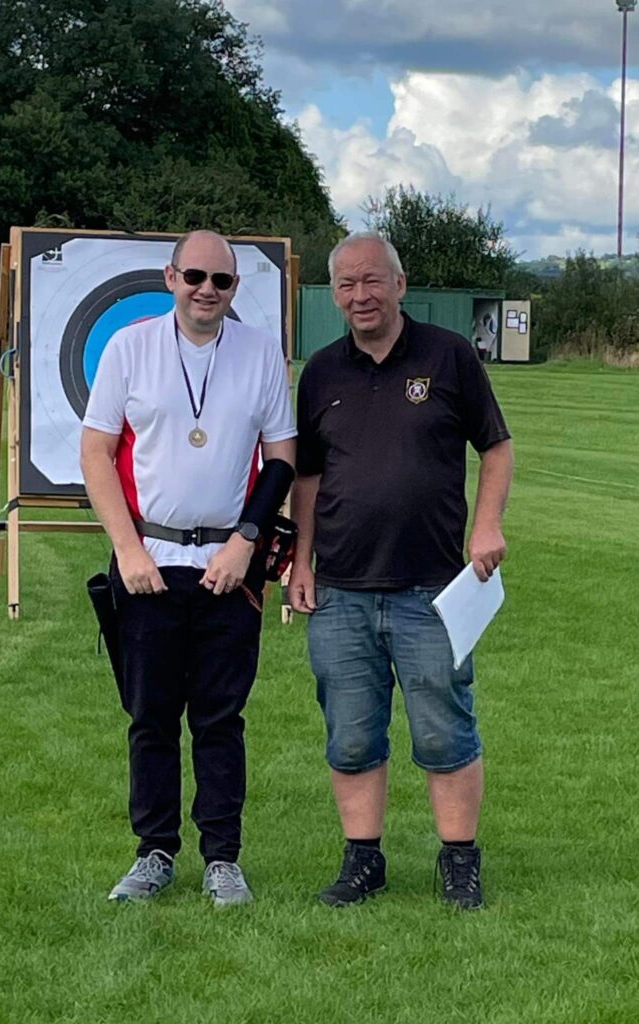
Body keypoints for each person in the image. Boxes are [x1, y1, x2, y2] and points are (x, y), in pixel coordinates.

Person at [289, 232, 513, 910]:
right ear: (336, 294)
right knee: (352, 734)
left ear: (399, 283)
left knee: (446, 729)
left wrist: (487, 523)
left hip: (433, 589)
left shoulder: (449, 358)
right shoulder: (321, 371)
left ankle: (459, 861)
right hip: (341, 589)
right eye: (347, 285)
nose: (360, 295)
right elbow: (308, 476)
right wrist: (301, 561)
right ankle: (364, 862)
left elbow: (496, 448)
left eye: (372, 281)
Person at [81, 230, 296, 907]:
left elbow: (282, 456)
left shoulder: (260, 353)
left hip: (228, 567)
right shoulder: (130, 348)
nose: (208, 290)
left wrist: (247, 544)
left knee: (221, 717)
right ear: (171, 277)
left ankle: (222, 857)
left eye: (222, 281)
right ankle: (153, 851)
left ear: (235, 289)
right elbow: (96, 452)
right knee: (150, 717)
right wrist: (127, 548)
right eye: (196, 276)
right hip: (150, 561)